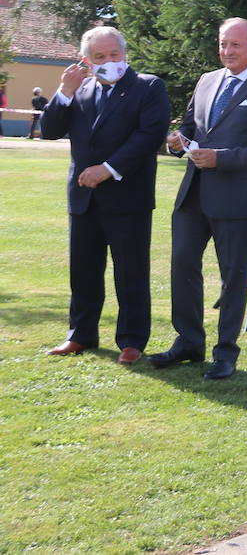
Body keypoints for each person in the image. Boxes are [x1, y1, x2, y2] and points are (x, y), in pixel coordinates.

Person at [150, 18, 247, 380]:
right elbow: (191, 125)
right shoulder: (208, 80)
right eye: (223, 44)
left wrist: (220, 158)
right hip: (194, 193)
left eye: (234, 45)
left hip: (238, 200)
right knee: (182, 266)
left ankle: (226, 352)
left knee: (233, 277)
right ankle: (189, 342)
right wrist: (178, 141)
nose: (226, 51)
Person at [40, 25, 171, 363]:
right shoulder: (79, 89)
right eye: (100, 57)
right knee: (82, 271)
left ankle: (131, 340)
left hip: (127, 196)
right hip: (83, 198)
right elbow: (50, 130)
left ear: (125, 54)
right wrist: (64, 91)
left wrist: (108, 169)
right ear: (87, 60)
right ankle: (80, 334)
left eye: (114, 54)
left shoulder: (147, 86)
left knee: (130, 271)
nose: (109, 61)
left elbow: (149, 135)